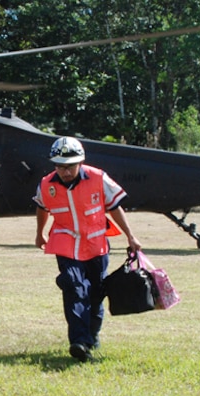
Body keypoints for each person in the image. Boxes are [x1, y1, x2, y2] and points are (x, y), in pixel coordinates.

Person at [33, 136, 142, 362]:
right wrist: (40, 232)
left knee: (95, 294)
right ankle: (78, 341)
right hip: (66, 244)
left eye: (70, 166)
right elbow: (42, 207)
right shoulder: (46, 184)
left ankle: (91, 336)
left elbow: (114, 207)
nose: (65, 171)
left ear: (80, 162)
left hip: (96, 245)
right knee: (74, 289)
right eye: (60, 166)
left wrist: (130, 235)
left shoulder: (98, 178)